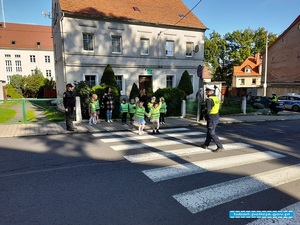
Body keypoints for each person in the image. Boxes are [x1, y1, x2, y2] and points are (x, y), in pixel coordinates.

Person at [200, 86, 224, 152]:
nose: (206, 92)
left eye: (207, 91)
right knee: (209, 131)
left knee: (211, 132)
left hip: (211, 117)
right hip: (216, 116)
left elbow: (208, 109)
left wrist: (203, 113)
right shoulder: (216, 98)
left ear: (209, 92)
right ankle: (206, 145)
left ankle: (220, 146)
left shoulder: (209, 99)